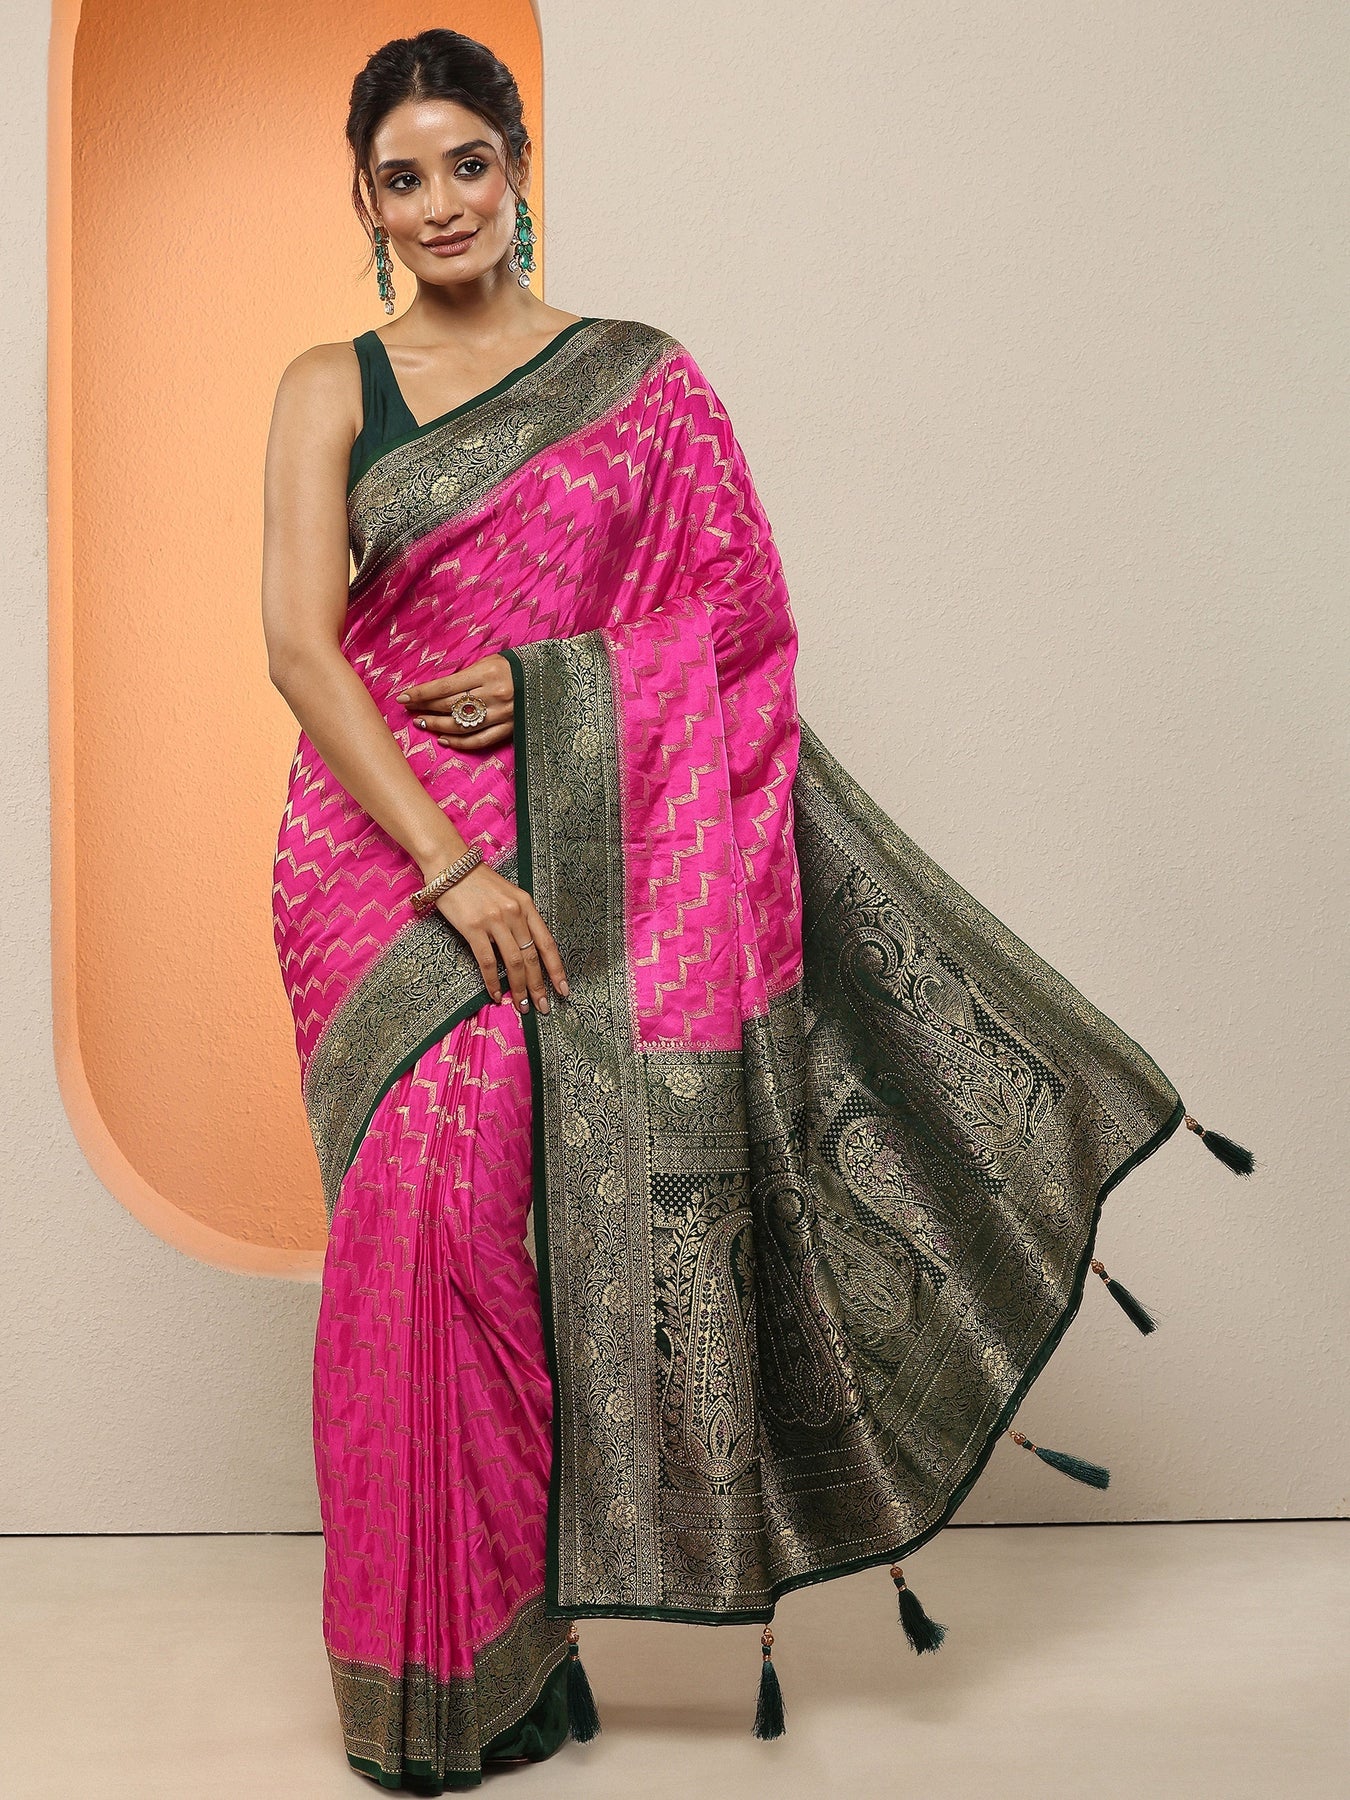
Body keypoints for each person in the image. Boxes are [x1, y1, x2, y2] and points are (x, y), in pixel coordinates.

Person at [263, 28, 1253, 1795]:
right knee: (410, 1237)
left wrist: (554, 686)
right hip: (377, 858)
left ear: (517, 171)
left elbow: (734, 625)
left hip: (582, 847)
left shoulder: (641, 383)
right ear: (366, 200)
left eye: (468, 164)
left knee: (491, 1240)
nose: (439, 205)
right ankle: (426, 1685)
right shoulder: (328, 386)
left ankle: (518, 1648)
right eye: (402, 179)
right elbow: (294, 643)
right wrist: (450, 866)